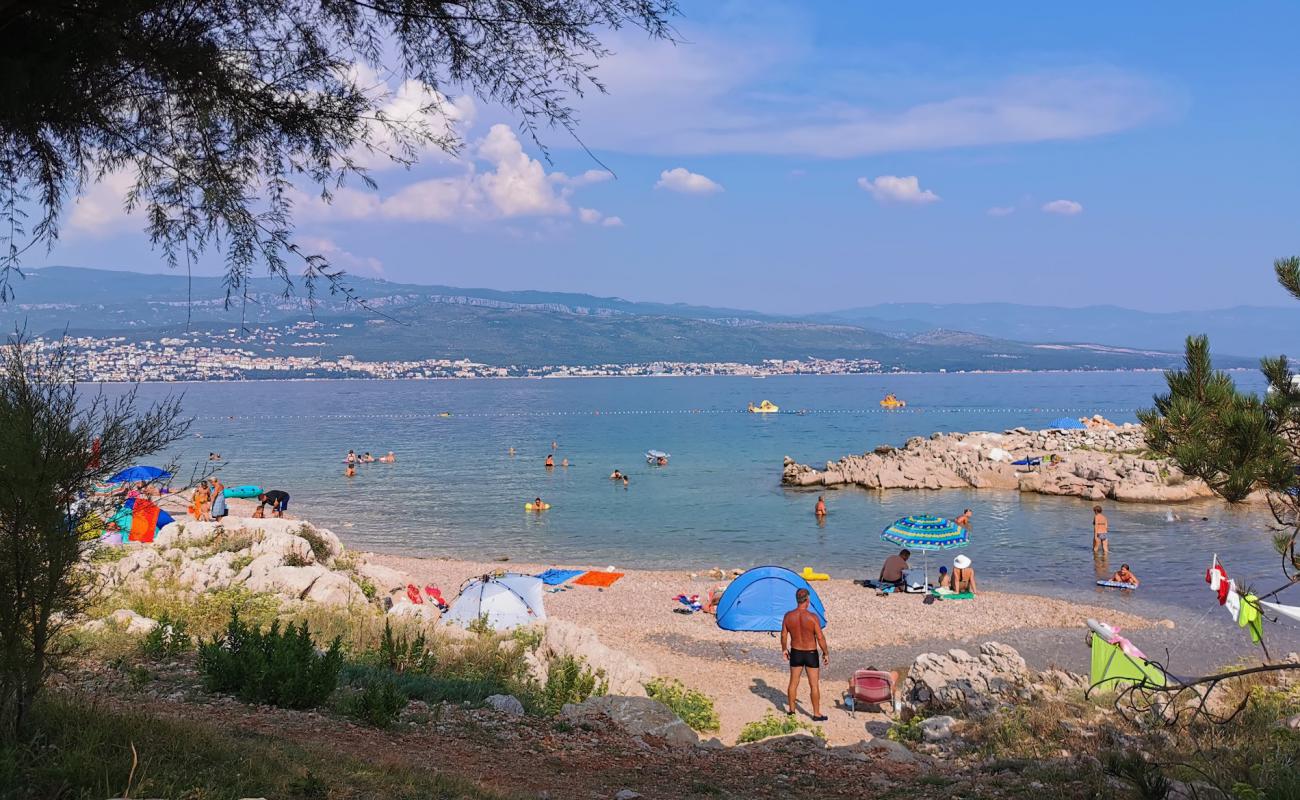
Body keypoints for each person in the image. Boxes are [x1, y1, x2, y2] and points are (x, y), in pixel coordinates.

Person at [781, 587, 829, 721]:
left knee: (793, 683)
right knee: (814, 684)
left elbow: (784, 635)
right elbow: (820, 638)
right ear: (807, 600)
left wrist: (784, 649)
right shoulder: (812, 617)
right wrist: (825, 653)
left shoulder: (788, 616)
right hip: (810, 653)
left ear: (797, 600)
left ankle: (791, 711)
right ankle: (816, 714)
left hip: (796, 652)